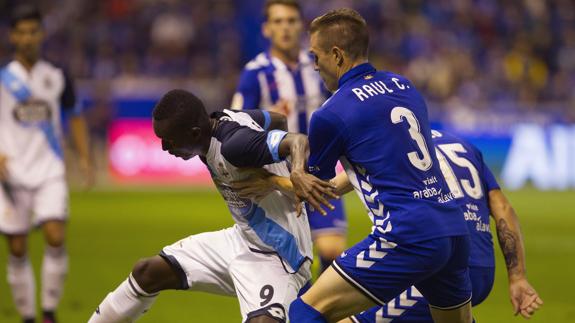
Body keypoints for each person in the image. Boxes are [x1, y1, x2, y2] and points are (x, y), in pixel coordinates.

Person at [286, 8, 473, 323]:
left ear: (336, 55)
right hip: (452, 229)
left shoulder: (330, 113)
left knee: (304, 310)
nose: (314, 66)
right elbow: (384, 163)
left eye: (315, 57)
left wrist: (288, 170)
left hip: (406, 234)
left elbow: (315, 188)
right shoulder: (404, 86)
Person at [88, 89, 336, 323]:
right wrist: (272, 177)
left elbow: (298, 141)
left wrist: (295, 174)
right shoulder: (222, 122)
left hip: (279, 257)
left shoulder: (235, 146)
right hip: (242, 240)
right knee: (147, 272)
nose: (165, 148)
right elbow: (279, 120)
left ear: (195, 133)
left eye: (169, 141)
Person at [342, 130, 543, 322]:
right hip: (481, 268)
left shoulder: (400, 145)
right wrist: (517, 278)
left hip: (440, 265)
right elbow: (503, 207)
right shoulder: (463, 145)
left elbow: (356, 174)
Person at [231, 0, 347, 274]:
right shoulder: (255, 73)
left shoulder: (318, 66)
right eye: (278, 21)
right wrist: (264, 117)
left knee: (332, 253)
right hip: (280, 177)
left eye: (291, 21)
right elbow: (234, 126)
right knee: (292, 263)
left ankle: (323, 311)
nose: (285, 28)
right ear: (267, 29)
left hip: (320, 171)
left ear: (302, 28)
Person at [0, 5, 93, 323]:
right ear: (13, 36)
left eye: (32, 31)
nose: (27, 38)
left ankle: (49, 313)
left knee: (55, 235)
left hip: (50, 169)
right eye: (21, 32)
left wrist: (84, 159)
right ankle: (27, 315)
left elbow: (75, 116)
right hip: (9, 173)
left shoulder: (57, 75)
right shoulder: (2, 77)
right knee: (17, 247)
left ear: (41, 34)